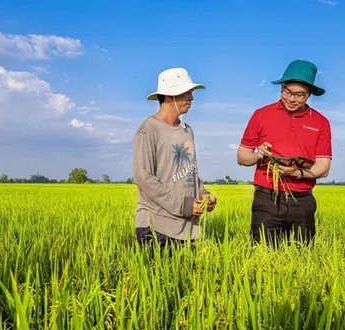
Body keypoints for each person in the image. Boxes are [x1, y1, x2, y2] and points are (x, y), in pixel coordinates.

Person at [237, 60, 332, 246]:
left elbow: (324, 166)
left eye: (299, 95)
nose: (291, 99)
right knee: (262, 255)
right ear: (281, 87)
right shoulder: (261, 115)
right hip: (267, 198)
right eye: (286, 92)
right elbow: (242, 157)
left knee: (303, 257)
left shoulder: (321, 122)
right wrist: (258, 154)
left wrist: (297, 173)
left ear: (309, 94)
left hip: (302, 200)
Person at [133, 67, 217, 253]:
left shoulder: (187, 131)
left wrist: (204, 194)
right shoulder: (149, 129)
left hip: (187, 229)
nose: (191, 98)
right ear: (171, 96)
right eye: (187, 93)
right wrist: (184, 205)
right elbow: (143, 176)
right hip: (157, 228)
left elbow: (190, 173)